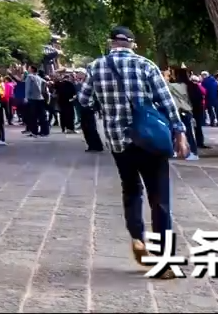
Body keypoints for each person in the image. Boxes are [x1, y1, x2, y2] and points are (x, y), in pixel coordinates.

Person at [79, 26, 187, 275]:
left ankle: (138, 238)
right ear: (132, 44)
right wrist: (179, 132)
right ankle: (164, 260)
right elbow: (167, 101)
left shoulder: (95, 67)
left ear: (111, 42)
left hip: (118, 141)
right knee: (159, 198)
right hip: (150, 140)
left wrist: (104, 103)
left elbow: (84, 101)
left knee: (131, 190)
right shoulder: (145, 65)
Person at [166, 71, 199, 160]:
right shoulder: (189, 86)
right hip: (186, 110)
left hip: (182, 110)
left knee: (179, 132)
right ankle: (189, 151)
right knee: (187, 132)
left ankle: (192, 152)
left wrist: (165, 76)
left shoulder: (178, 86)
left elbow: (166, 85)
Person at [74, 69, 104, 152]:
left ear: (83, 74)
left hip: (88, 107)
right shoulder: (82, 82)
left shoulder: (88, 82)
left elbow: (87, 95)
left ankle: (96, 145)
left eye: (79, 73)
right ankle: (92, 145)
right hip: (85, 107)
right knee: (86, 127)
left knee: (90, 127)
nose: (77, 75)